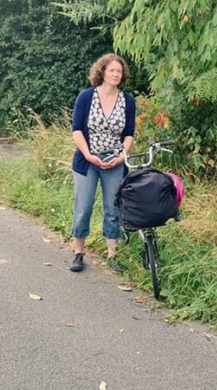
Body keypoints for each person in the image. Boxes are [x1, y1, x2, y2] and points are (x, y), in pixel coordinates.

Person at [69, 53, 135, 273]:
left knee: (112, 208)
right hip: (87, 161)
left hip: (115, 161)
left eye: (119, 71)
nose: (116, 74)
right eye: (112, 70)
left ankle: (112, 254)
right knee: (83, 207)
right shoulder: (86, 97)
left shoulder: (128, 101)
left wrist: (122, 155)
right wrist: (88, 155)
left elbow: (129, 134)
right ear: (102, 72)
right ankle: (78, 253)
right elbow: (77, 130)